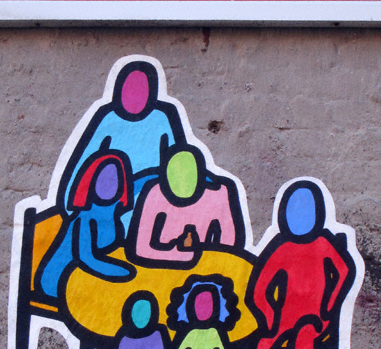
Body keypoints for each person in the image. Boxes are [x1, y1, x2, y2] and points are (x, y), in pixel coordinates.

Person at [231, 180, 355, 349]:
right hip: (283, 319)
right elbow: (259, 289)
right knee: (259, 344)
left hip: (316, 318)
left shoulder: (324, 244)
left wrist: (330, 304)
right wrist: (269, 316)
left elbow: (344, 271)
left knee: (303, 341)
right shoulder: (282, 247)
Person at [58, 61, 187, 227]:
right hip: (113, 197)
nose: (136, 94)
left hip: (151, 192)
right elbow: (85, 160)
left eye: (142, 87)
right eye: (130, 88)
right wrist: (69, 204)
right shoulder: (108, 116)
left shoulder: (164, 116)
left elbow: (180, 160)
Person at [37, 153, 134, 299]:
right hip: (59, 280)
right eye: (102, 179)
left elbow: (137, 183)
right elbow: (86, 258)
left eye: (113, 179)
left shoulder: (110, 214)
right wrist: (125, 272)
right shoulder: (83, 219)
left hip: (84, 273)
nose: (108, 185)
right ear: (91, 181)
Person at [128, 146, 244, 267]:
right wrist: (183, 254)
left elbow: (229, 247)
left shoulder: (219, 194)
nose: (182, 180)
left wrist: (198, 256)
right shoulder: (155, 193)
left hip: (203, 269)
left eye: (187, 175)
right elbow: (141, 248)